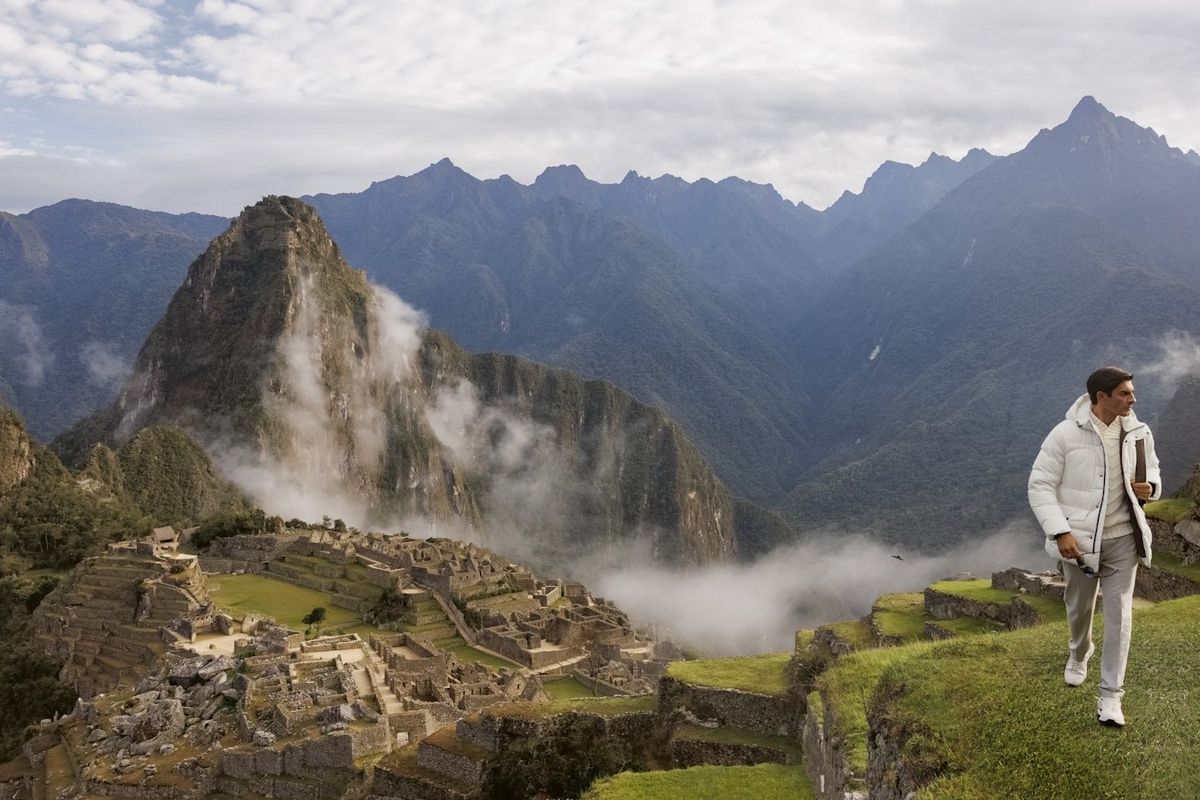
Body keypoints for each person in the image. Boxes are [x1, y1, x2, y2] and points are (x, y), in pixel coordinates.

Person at [1028, 366, 1160, 727]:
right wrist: (1060, 532)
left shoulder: (1138, 432)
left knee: (1119, 615)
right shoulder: (1064, 435)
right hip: (1080, 543)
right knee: (1078, 608)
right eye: (1125, 394)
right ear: (1101, 397)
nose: (1133, 399)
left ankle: (1110, 697)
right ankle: (1079, 652)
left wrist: (1150, 487)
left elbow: (1153, 474)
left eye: (1132, 392)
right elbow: (1039, 485)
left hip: (1124, 541)